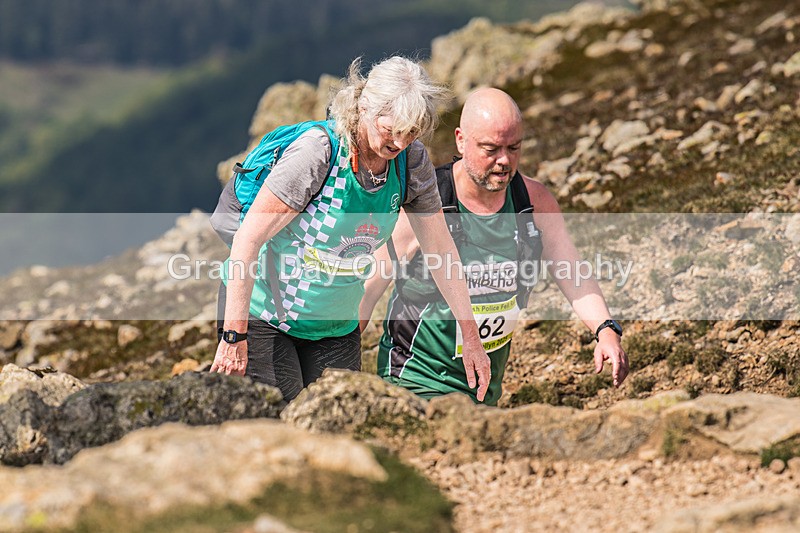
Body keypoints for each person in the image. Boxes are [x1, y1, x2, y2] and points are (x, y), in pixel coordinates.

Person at [212, 57, 492, 402]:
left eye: (412, 132)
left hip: (335, 326)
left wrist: (471, 335)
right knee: (281, 426)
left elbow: (441, 250)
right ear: (364, 106)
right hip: (263, 317)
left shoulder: (411, 162)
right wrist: (233, 337)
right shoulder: (318, 152)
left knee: (341, 427)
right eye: (391, 129)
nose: (400, 143)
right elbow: (247, 240)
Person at [359, 87, 629, 406]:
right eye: (490, 149)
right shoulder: (423, 204)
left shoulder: (533, 203)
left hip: (483, 393)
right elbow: (367, 288)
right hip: (414, 384)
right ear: (461, 140)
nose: (504, 161)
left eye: (513, 148)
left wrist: (605, 329)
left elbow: (571, 270)